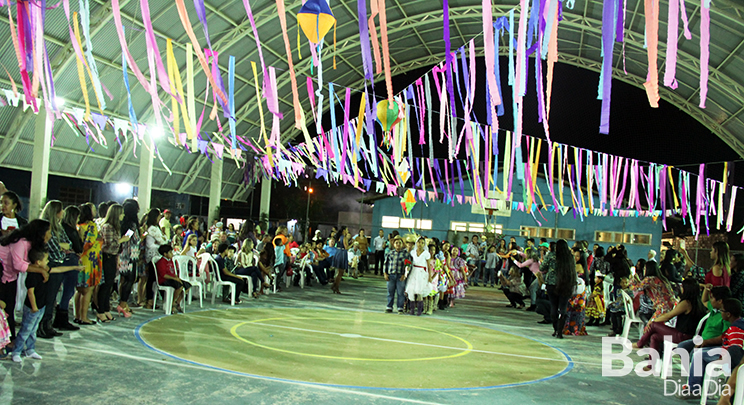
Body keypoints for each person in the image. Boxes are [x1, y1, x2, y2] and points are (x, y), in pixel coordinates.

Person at [633, 278, 707, 372]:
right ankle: (651, 365)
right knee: (655, 337)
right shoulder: (698, 302)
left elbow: (669, 316)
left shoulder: (686, 303)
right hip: (688, 334)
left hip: (683, 336)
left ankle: (640, 343)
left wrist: (654, 321)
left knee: (654, 325)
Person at [0, 220, 52, 344]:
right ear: (40, 233)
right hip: (2, 276)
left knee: (9, 309)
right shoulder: (21, 242)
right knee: (3, 309)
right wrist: (41, 270)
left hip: (10, 277)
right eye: (48, 232)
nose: (50, 235)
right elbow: (18, 264)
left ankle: (9, 340)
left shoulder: (30, 243)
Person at [681, 298, 744, 400]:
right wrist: (705, 342)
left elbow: (735, 349)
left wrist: (721, 359)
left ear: (728, 314)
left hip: (730, 359)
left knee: (698, 355)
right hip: (728, 353)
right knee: (700, 353)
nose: (720, 313)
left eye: (722, 311)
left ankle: (694, 389)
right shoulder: (740, 323)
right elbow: (723, 339)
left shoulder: (735, 329)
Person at [37, 200, 82, 338]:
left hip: (58, 263)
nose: (63, 212)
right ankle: (42, 326)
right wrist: (63, 248)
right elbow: (55, 247)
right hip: (50, 264)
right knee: (48, 297)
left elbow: (67, 243)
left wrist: (63, 247)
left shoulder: (58, 226)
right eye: (61, 210)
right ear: (56, 212)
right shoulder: (45, 226)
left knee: (53, 297)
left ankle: (48, 324)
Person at [11, 249, 50, 363]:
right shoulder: (32, 275)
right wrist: (34, 307)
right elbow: (30, 292)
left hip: (40, 306)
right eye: (46, 260)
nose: (47, 262)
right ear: (38, 262)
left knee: (33, 329)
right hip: (33, 308)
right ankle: (16, 351)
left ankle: (30, 349)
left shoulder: (43, 272)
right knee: (26, 330)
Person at [97, 204, 129, 323]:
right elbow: (108, 244)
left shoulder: (115, 227)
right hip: (106, 257)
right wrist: (122, 240)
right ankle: (101, 311)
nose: (123, 215)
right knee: (105, 285)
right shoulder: (108, 227)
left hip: (113, 257)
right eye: (121, 213)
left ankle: (106, 309)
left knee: (109, 284)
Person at [55, 205, 83, 332]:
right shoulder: (70, 230)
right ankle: (62, 318)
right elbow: (78, 247)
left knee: (61, 290)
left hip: (65, 260)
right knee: (68, 290)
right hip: (70, 260)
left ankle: (58, 317)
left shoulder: (61, 228)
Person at [629, 260, 677, 330]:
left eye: (645, 269)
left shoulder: (650, 279)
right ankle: (665, 340)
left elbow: (635, 288)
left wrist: (631, 277)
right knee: (666, 329)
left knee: (649, 328)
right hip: (673, 307)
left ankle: (650, 340)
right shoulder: (662, 279)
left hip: (663, 308)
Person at [75, 203, 102, 325]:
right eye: (93, 209)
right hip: (90, 260)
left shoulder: (79, 225)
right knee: (88, 290)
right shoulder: (91, 226)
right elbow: (89, 242)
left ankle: (77, 315)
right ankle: (84, 317)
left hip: (80, 259)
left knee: (79, 290)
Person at [546, 240, 577, 339]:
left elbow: (542, 267)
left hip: (551, 284)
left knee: (553, 307)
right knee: (563, 308)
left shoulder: (551, 256)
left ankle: (555, 329)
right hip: (565, 284)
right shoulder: (570, 258)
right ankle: (560, 331)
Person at [117, 199, 140, 317]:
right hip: (131, 255)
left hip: (122, 254)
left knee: (124, 279)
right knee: (130, 279)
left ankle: (122, 302)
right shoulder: (132, 225)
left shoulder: (121, 223)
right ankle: (123, 303)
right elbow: (132, 238)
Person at [155, 244, 191, 313]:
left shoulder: (170, 260)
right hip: (164, 280)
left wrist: (177, 278)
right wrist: (174, 279)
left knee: (187, 286)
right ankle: (172, 303)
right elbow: (164, 275)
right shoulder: (161, 262)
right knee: (179, 286)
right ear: (165, 254)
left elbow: (173, 272)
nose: (172, 254)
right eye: (170, 252)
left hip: (172, 279)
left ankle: (178, 302)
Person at [143, 209, 167, 309]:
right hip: (153, 256)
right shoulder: (153, 228)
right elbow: (163, 241)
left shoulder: (151, 227)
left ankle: (150, 300)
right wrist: (161, 241)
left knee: (152, 279)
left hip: (152, 254)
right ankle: (150, 300)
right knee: (154, 278)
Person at [406, 237, 431, 316]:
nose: (420, 244)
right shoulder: (413, 252)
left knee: (419, 291)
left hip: (421, 273)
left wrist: (429, 276)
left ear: (424, 244)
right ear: (416, 243)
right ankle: (412, 309)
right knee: (411, 290)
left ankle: (419, 310)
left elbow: (428, 265)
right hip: (414, 271)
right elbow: (410, 261)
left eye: (422, 243)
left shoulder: (426, 254)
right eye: (419, 242)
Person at [383, 236, 407, 313]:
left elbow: (408, 266)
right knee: (390, 292)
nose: (398, 244)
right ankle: (389, 306)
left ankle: (400, 307)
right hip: (391, 275)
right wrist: (385, 274)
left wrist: (405, 274)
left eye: (400, 243)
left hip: (400, 276)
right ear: (393, 244)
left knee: (400, 292)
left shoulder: (406, 254)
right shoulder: (390, 253)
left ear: (402, 244)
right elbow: (385, 264)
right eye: (396, 243)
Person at [330, 226, 350, 294]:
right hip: (342, 253)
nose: (348, 231)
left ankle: (334, 285)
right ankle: (336, 286)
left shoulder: (339, 237)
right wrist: (352, 243)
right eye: (347, 230)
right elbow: (346, 247)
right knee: (340, 272)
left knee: (339, 272)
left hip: (338, 252)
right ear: (344, 231)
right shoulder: (344, 238)